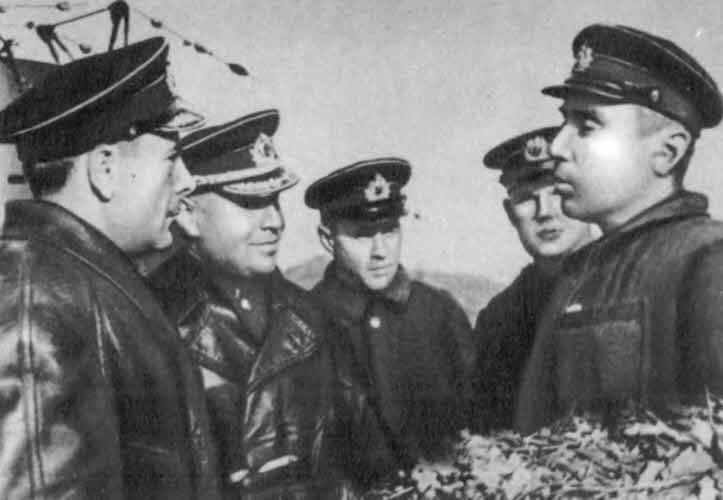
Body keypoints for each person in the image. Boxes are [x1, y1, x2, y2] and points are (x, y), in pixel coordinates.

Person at [0, 38, 222, 499]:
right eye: (172, 159)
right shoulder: (37, 306)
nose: (188, 182)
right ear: (104, 168)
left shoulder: (75, 284)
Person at [515, 24, 723, 434]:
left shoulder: (708, 261)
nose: (557, 147)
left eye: (587, 125)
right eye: (564, 122)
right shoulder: (577, 272)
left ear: (667, 151)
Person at [150, 109, 339, 499]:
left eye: (275, 200)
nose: (275, 221)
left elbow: (352, 463)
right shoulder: (151, 318)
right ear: (187, 215)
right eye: (251, 202)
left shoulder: (311, 316)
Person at [305, 158, 476, 487]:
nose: (380, 251)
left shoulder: (438, 313)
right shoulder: (306, 325)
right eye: (362, 235)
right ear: (328, 238)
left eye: (390, 230)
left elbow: (476, 422)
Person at [472, 126, 596, 431]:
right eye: (527, 198)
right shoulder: (498, 318)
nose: (545, 212)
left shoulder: (626, 281)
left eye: (558, 192)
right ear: (509, 213)